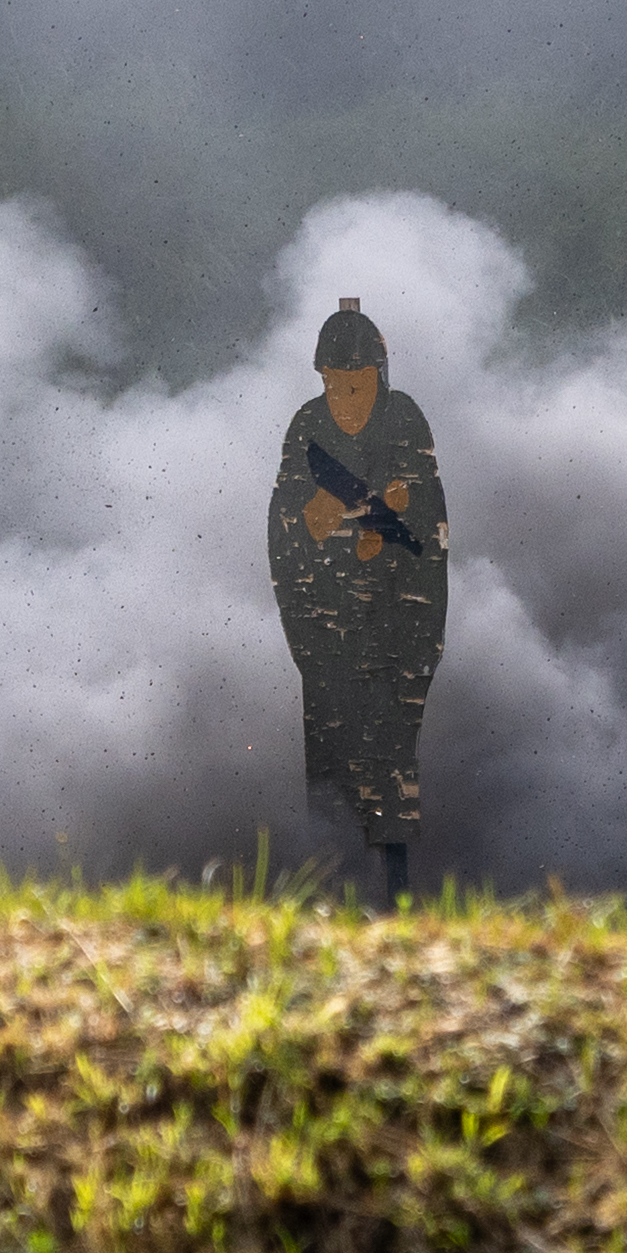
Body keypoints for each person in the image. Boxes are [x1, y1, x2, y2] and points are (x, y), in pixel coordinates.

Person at [265, 298, 448, 910]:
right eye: (336, 385)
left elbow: (428, 528)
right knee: (331, 777)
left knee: (392, 775)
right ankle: (328, 905)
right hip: (327, 640)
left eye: (359, 385)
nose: (347, 399)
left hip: (394, 636)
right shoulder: (307, 430)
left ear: (379, 377)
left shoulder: (404, 423)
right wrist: (314, 520)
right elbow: (285, 532)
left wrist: (386, 522)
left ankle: (395, 907)